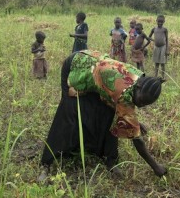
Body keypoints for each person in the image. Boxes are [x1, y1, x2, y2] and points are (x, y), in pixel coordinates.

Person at [38, 50, 167, 182]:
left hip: (96, 70)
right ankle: (47, 163)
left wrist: (135, 123)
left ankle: (108, 158)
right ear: (138, 87)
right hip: (77, 65)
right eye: (141, 101)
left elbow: (125, 110)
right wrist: (155, 166)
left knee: (108, 114)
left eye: (145, 104)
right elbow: (137, 139)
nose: (140, 105)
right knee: (69, 112)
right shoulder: (122, 92)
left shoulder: (138, 78)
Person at [149, 15, 169, 80]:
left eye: (161, 22)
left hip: (163, 47)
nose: (160, 23)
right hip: (156, 47)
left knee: (162, 63)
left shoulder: (165, 29)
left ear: (164, 22)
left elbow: (167, 39)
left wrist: (167, 50)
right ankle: (155, 76)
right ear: (156, 21)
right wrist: (154, 40)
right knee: (156, 62)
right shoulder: (154, 29)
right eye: (159, 21)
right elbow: (149, 37)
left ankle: (163, 77)